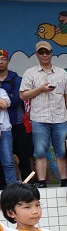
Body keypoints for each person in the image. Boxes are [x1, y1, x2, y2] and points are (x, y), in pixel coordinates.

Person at [19, 41, 67, 188]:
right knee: (39, 152)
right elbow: (23, 95)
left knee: (62, 152)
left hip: (60, 118)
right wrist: (40, 89)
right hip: (39, 118)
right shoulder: (30, 73)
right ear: (36, 54)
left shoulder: (62, 73)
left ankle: (64, 181)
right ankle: (42, 182)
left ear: (51, 53)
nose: (44, 55)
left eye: (47, 52)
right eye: (41, 52)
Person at [0, 49, 33, 182]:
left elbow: (16, 99)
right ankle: (3, 186)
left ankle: (28, 183)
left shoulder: (16, 79)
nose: (0, 62)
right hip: (2, 125)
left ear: (8, 61)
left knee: (22, 155)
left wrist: (5, 101)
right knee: (3, 158)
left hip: (16, 123)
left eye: (3, 59)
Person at [0, 87, 16, 185]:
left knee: (8, 162)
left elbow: (4, 104)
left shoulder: (1, 91)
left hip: (4, 130)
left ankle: (13, 189)